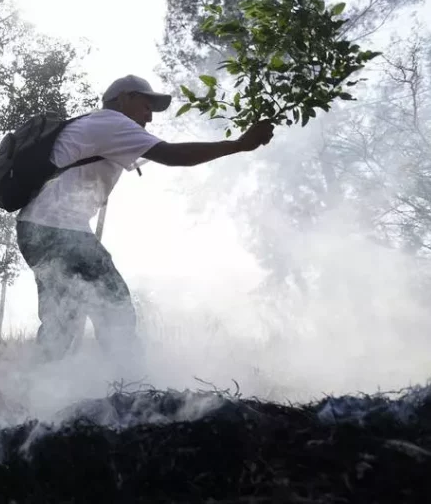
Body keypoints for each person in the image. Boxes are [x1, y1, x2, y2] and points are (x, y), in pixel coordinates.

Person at [15, 73, 275, 359]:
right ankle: (131, 385)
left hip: (37, 228)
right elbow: (174, 155)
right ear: (125, 98)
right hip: (58, 229)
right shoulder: (112, 123)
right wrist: (239, 144)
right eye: (146, 106)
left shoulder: (94, 123)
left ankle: (33, 393)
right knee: (114, 306)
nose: (149, 117)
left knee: (62, 321)